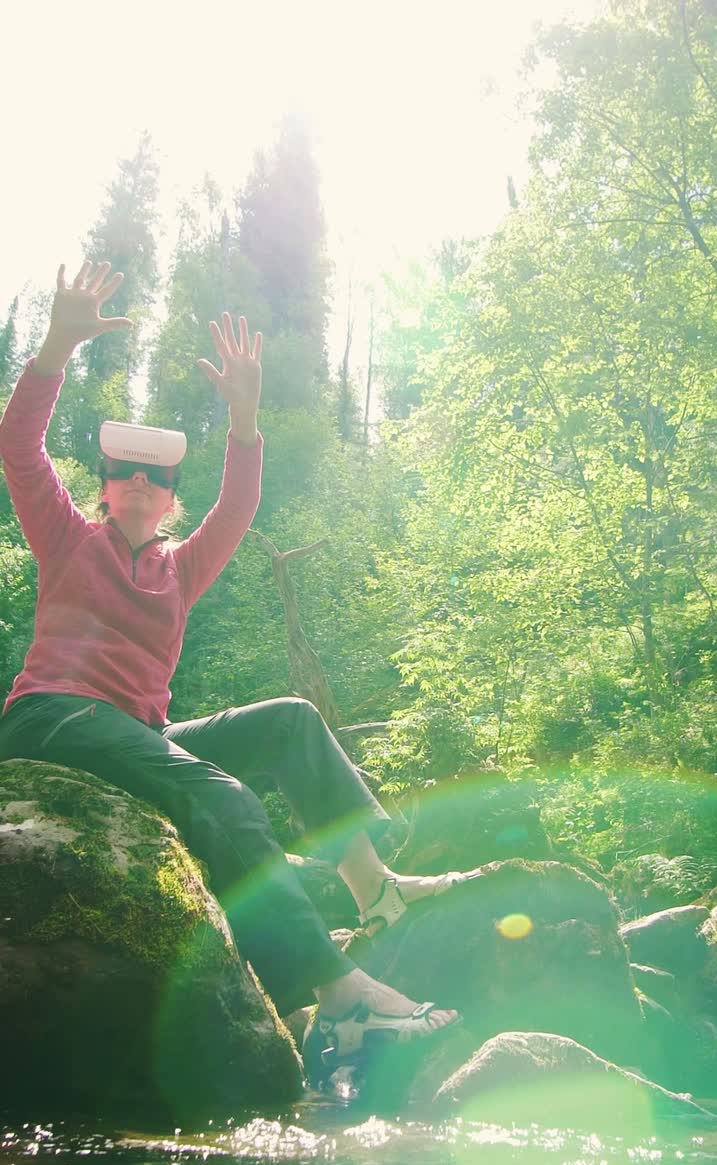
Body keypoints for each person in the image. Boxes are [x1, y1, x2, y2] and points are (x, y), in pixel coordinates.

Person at [0, 260, 470, 1088]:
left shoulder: (179, 570)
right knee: (220, 795)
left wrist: (245, 420)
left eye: (159, 477)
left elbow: (240, 509)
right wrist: (54, 348)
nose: (141, 482)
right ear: (105, 490)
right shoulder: (70, 539)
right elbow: (17, 449)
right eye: (124, 473)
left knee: (291, 716)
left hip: (135, 735)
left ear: (170, 499)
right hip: (52, 719)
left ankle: (376, 892)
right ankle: (336, 991)